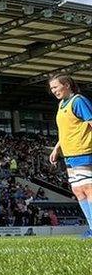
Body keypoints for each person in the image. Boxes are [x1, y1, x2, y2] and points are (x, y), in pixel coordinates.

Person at [48, 74, 92, 238]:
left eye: (55, 87)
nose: (53, 91)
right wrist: (56, 148)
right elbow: (67, 130)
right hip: (69, 153)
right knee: (78, 190)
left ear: (66, 85)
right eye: (51, 88)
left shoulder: (78, 101)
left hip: (83, 150)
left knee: (88, 189)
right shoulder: (61, 105)